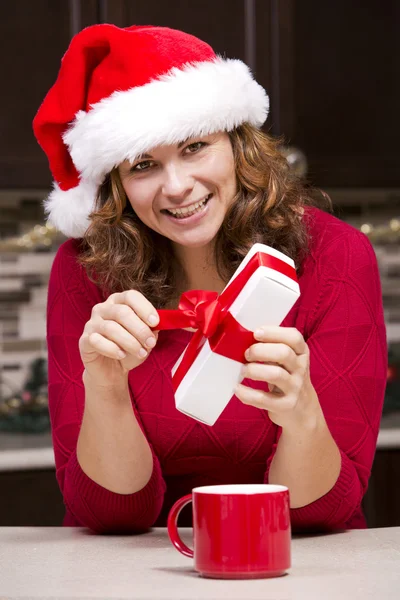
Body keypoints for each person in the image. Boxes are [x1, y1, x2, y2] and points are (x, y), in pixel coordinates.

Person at [33, 23, 387, 534]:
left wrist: (301, 412)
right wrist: (105, 384)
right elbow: (109, 516)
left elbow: (317, 516)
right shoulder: (86, 272)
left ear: (239, 146)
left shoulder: (337, 257)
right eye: (144, 165)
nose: (177, 187)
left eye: (196, 146)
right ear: (116, 183)